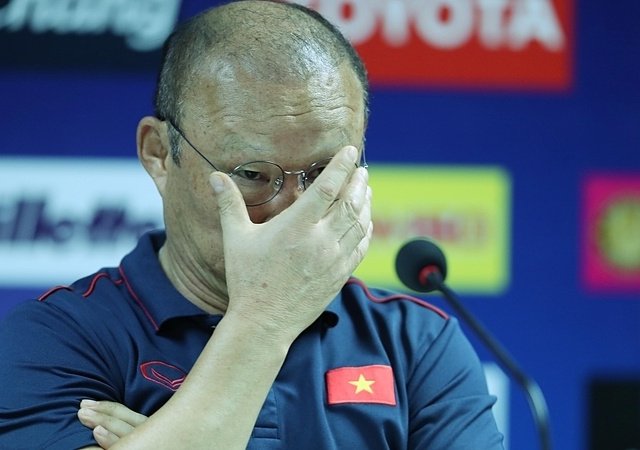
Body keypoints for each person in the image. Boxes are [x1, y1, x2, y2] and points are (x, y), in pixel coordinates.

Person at [0, 1, 504, 448]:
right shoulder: (54, 338)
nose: (296, 209)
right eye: (253, 175)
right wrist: (264, 320)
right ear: (159, 154)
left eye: (325, 174)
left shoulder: (418, 345)